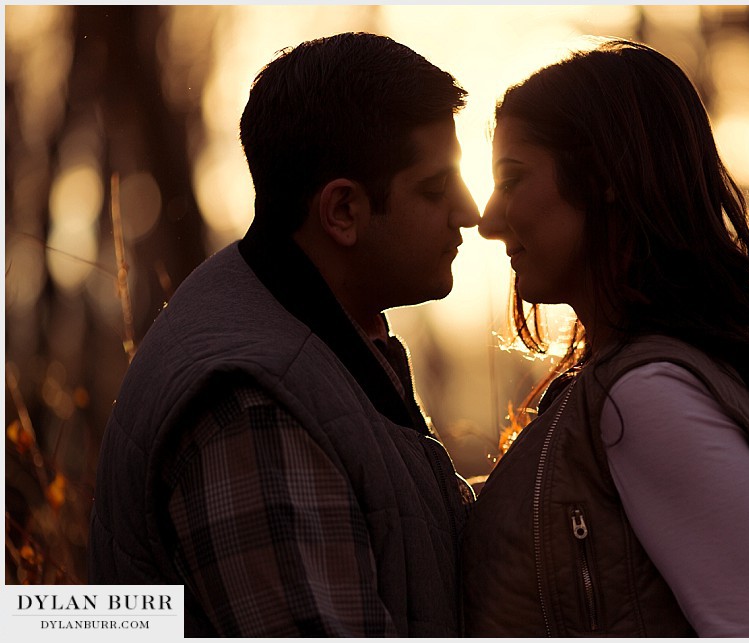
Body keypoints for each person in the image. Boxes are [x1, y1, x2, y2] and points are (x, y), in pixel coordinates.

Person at [88, 33, 480, 637]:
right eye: (435, 189)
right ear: (342, 212)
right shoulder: (250, 407)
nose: (470, 210)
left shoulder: (321, 337)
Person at [462, 39, 749, 637]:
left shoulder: (648, 395)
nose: (488, 219)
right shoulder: (610, 391)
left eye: (513, 178)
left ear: (604, 177)